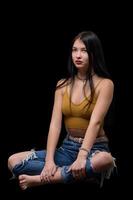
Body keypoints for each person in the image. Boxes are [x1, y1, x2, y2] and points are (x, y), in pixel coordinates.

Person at [8, 31, 116, 190]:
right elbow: (55, 125)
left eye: (84, 50)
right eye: (74, 50)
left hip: (94, 149)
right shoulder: (62, 85)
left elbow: (96, 122)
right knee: (13, 160)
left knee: (106, 161)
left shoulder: (105, 84)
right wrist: (50, 161)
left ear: (94, 53)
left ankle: (43, 180)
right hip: (67, 148)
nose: (78, 55)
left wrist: (82, 156)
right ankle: (77, 174)